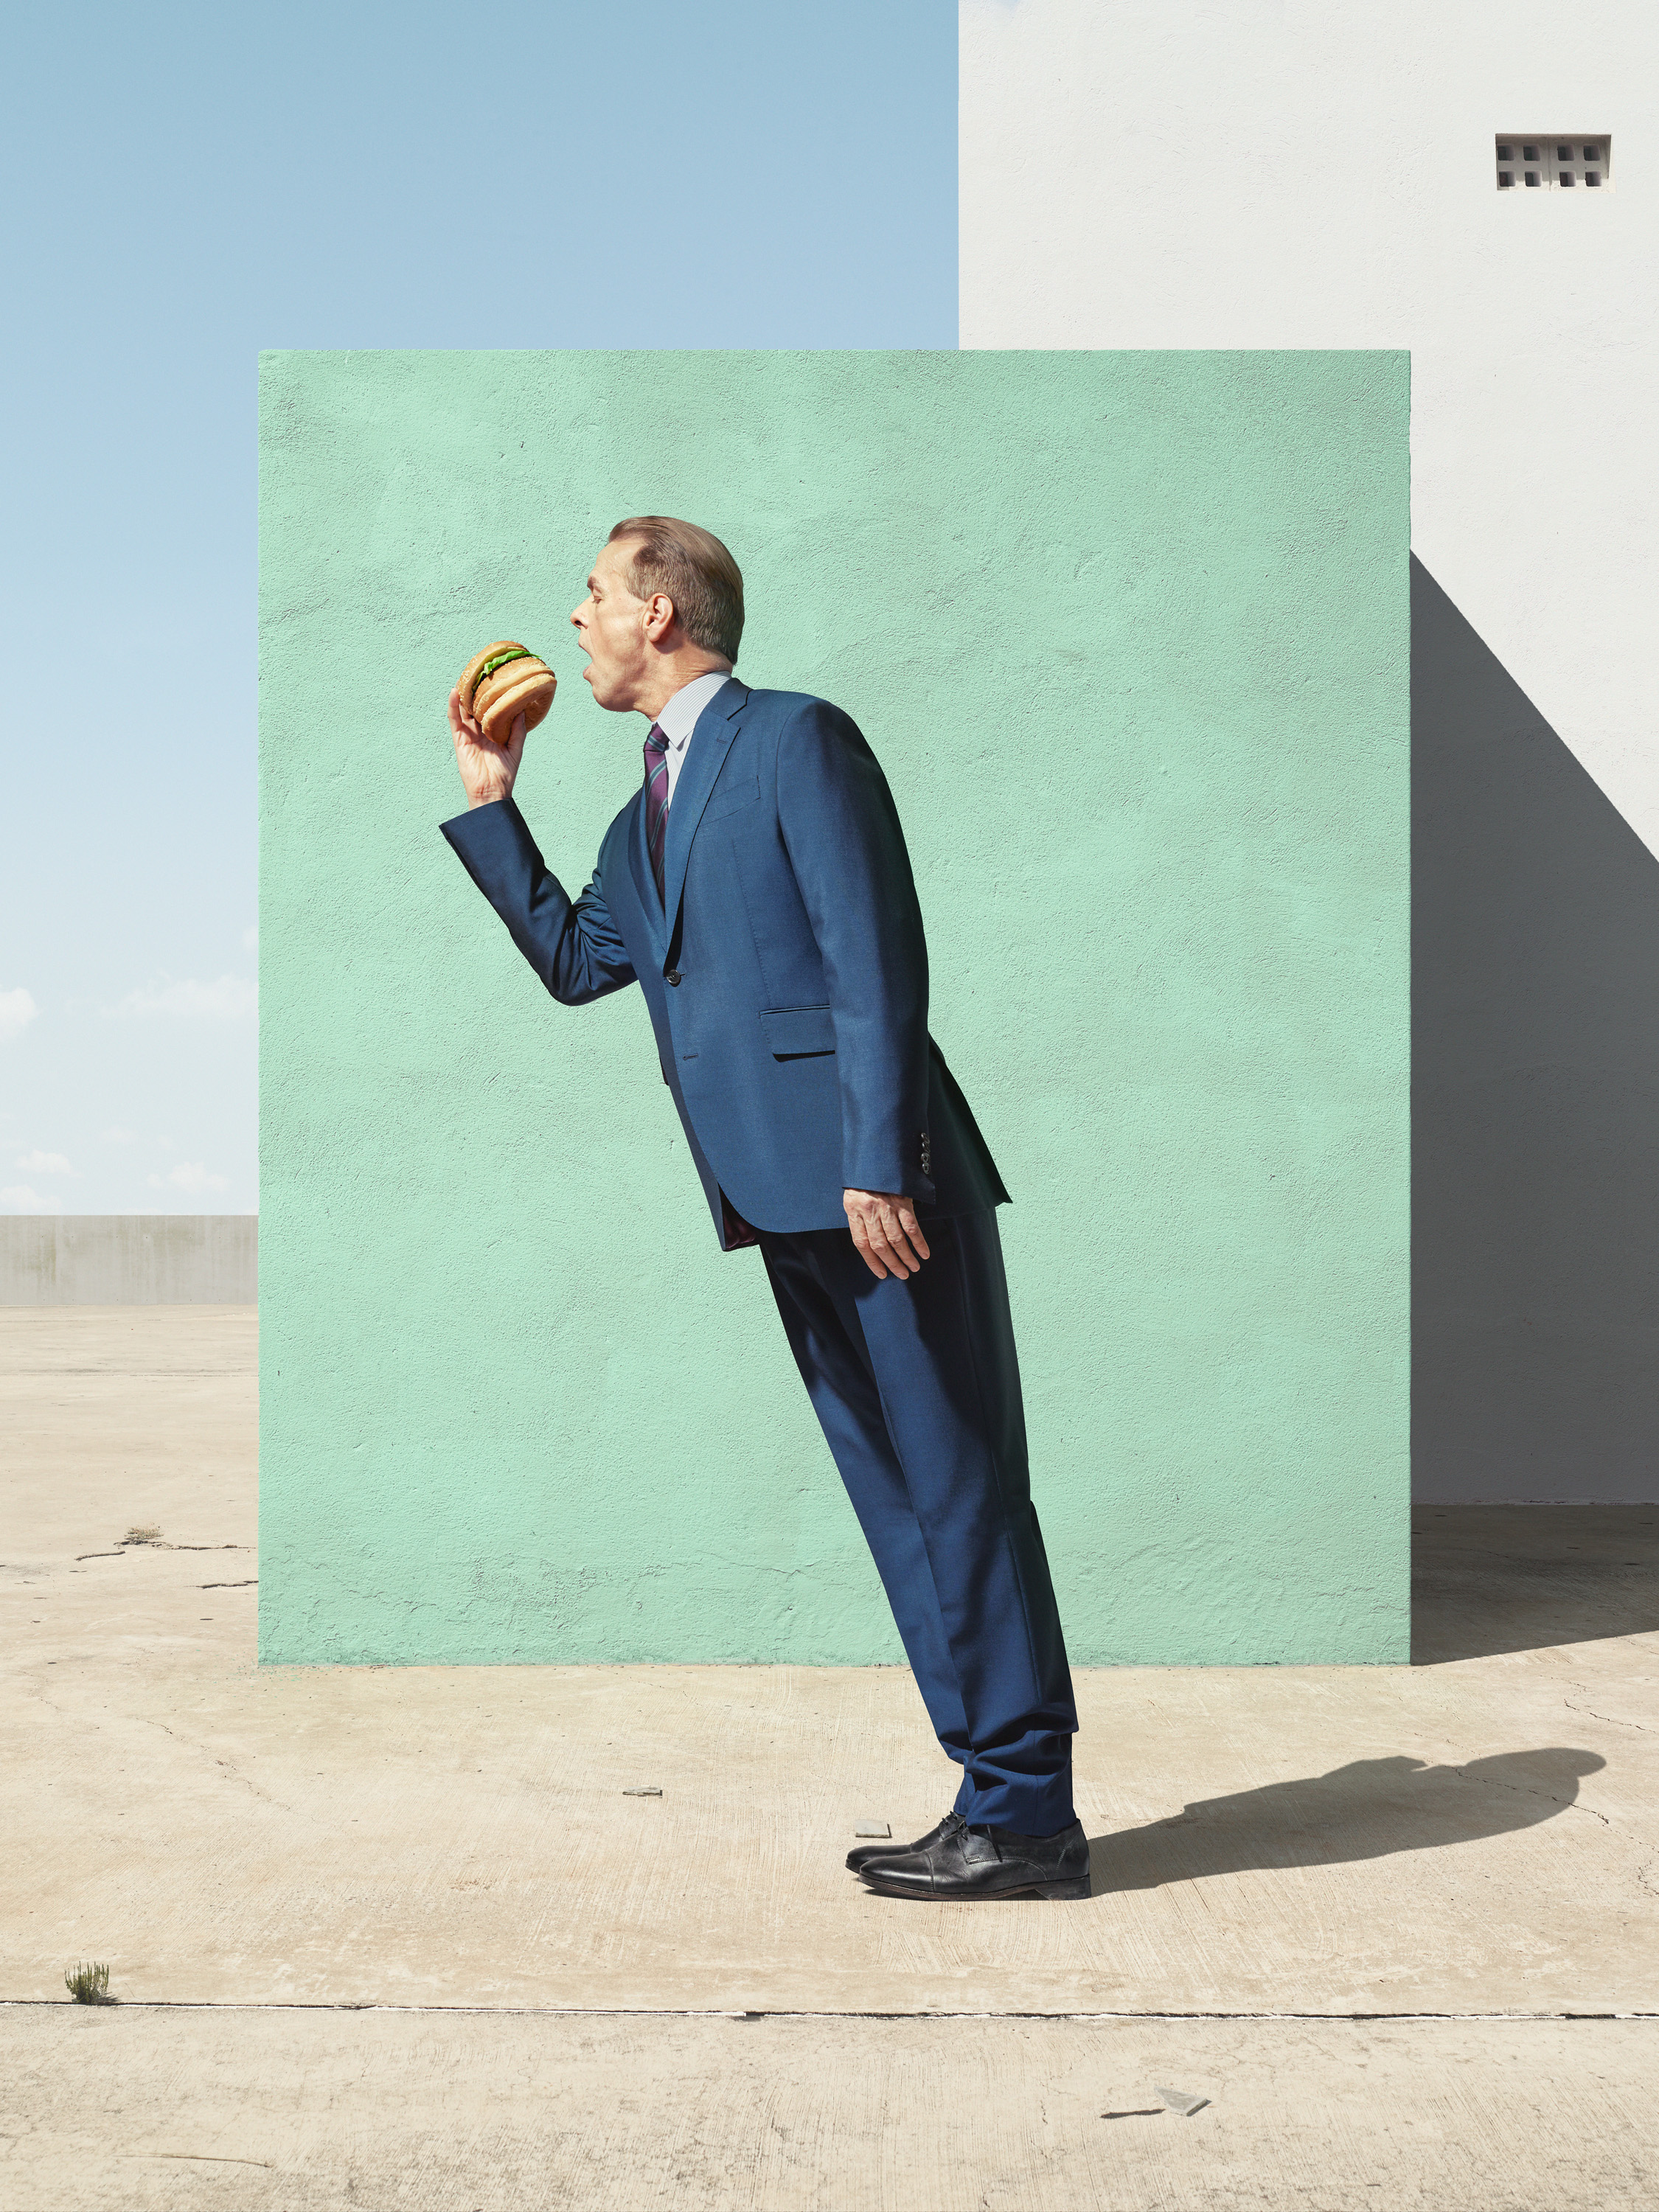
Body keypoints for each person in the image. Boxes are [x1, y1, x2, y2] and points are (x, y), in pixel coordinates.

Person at [442, 516, 1085, 1901]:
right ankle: (990, 1796)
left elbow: (874, 947)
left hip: (876, 1190)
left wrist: (878, 1159)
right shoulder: (639, 817)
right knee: (899, 1501)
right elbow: (576, 962)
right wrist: (494, 801)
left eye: (595, 594)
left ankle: (1031, 1813)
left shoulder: (795, 738)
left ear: (661, 612)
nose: (577, 618)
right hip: (774, 1200)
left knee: (961, 1489)